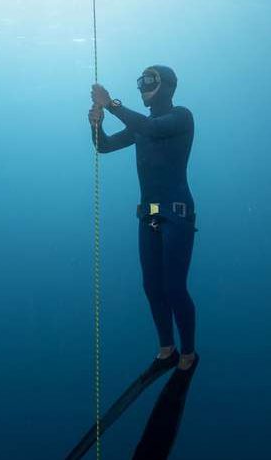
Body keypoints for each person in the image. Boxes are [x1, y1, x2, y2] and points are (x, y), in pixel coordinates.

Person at [88, 65, 199, 372]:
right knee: (152, 285)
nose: (142, 86)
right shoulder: (140, 124)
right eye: (139, 81)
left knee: (175, 287)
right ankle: (167, 350)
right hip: (150, 216)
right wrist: (96, 125)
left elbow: (152, 129)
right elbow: (105, 146)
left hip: (176, 214)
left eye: (148, 80)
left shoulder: (181, 117)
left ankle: (188, 354)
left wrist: (111, 104)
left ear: (167, 85)